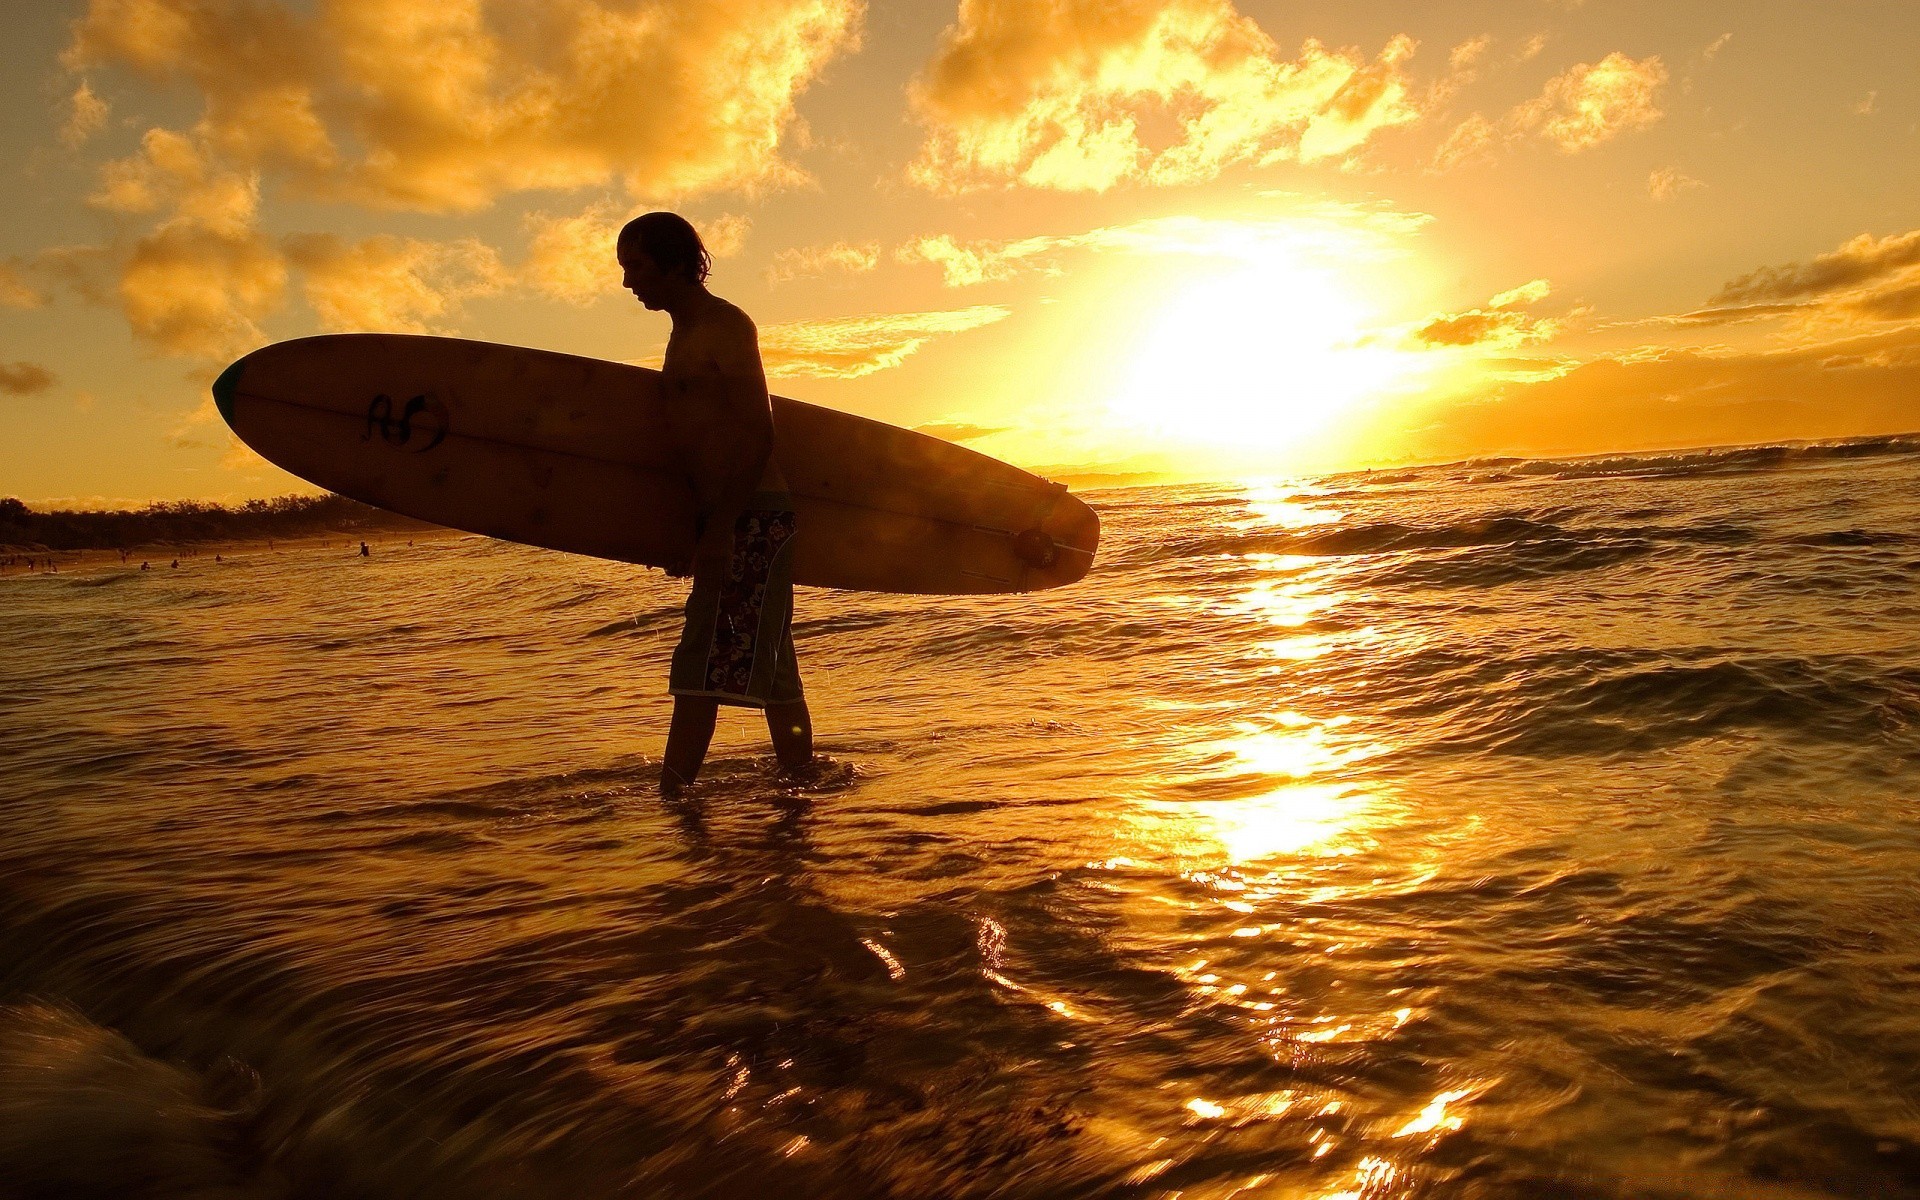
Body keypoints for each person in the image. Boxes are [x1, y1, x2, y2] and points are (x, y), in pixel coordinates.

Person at [616, 212, 813, 796]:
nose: (629, 283)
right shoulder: (683, 332)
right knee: (774, 673)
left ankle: (673, 801)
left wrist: (724, 529)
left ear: (677, 262)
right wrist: (695, 529)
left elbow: (757, 433)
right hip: (730, 515)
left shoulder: (723, 325)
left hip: (751, 514)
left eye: (638, 267)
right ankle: (803, 793)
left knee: (701, 666)